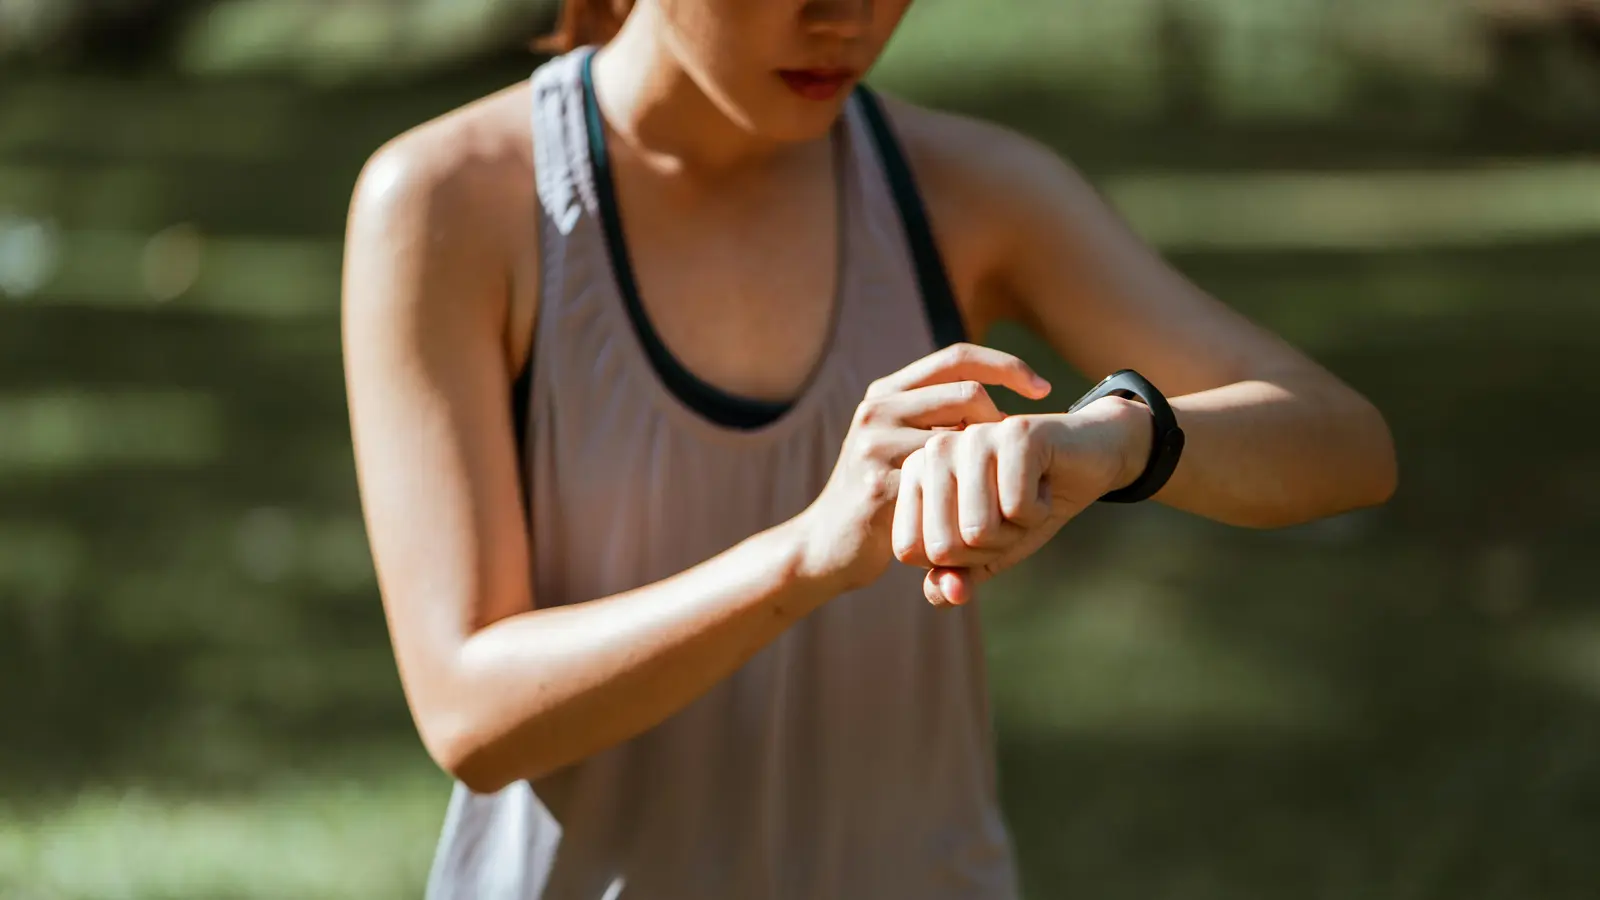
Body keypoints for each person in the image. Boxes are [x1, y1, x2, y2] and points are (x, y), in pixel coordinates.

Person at [340, 0, 1398, 896]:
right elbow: (470, 713)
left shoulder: (965, 188)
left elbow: (1344, 443)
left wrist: (1116, 438)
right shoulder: (452, 201)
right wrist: (808, 553)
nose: (845, 18)